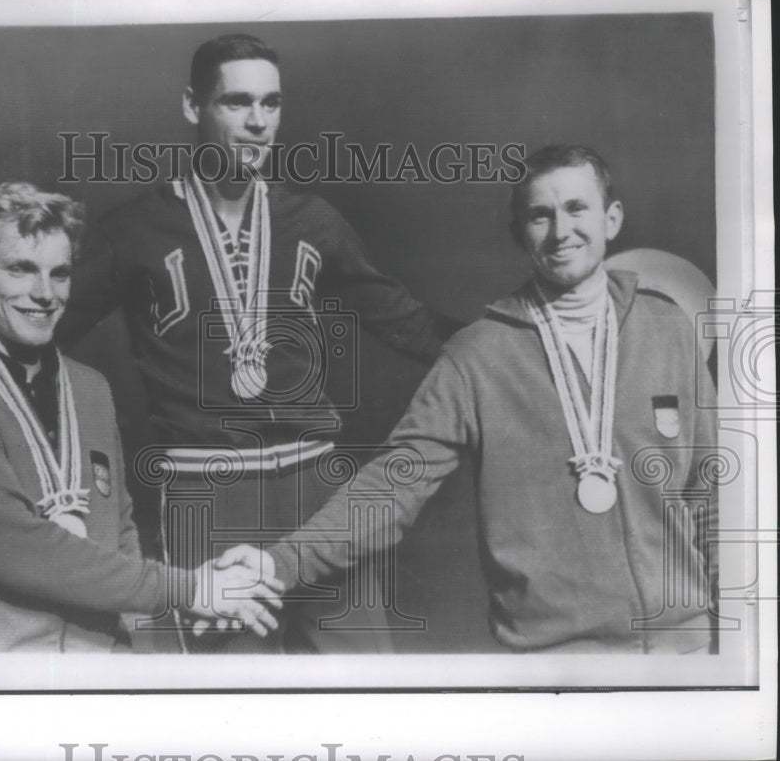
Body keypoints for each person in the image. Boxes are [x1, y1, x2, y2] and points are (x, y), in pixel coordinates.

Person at [61, 34, 459, 653]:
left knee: (361, 687)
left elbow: (402, 319)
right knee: (234, 704)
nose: (257, 123)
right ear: (194, 106)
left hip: (317, 491)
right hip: (206, 495)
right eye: (237, 102)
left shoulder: (313, 219)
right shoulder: (133, 230)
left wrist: (507, 344)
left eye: (271, 104)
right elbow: (37, 334)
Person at [247, 145, 719, 653]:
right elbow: (390, 487)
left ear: (612, 218)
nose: (561, 232)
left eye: (577, 209)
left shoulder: (668, 329)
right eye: (541, 216)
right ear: (520, 234)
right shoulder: (476, 356)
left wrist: (743, 630)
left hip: (688, 647)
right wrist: (279, 564)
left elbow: (714, 494)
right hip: (559, 665)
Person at [0, 182, 280, 652]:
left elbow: (122, 534)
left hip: (99, 665)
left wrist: (146, 643)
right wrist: (190, 589)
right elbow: (21, 551)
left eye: (60, 274)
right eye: (20, 270)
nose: (44, 293)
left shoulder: (90, 388)